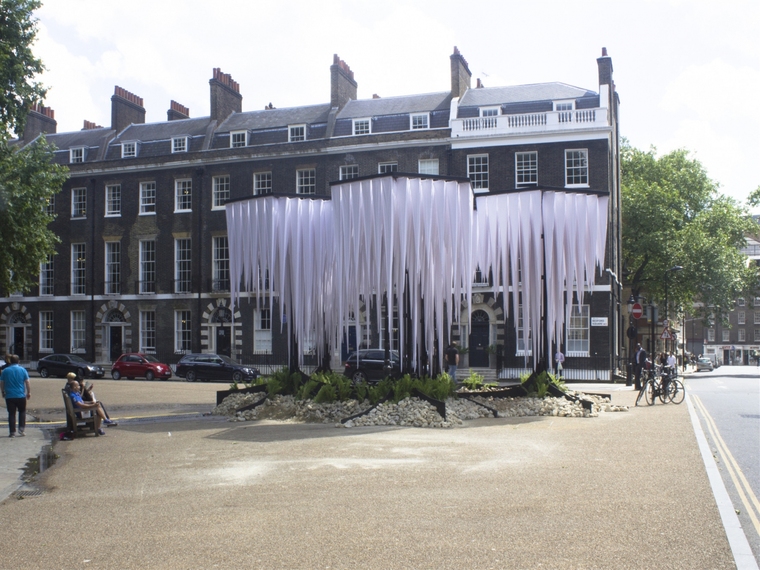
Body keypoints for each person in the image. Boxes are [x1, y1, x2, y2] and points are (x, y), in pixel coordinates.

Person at [0, 354, 30, 437]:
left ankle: (12, 432)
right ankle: (21, 429)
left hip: (9, 395)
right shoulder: (23, 370)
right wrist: (29, 392)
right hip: (20, 395)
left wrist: (2, 391)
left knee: (11, 414)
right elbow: (27, 382)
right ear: (18, 361)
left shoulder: (5, 371)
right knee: (22, 411)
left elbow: (2, 383)